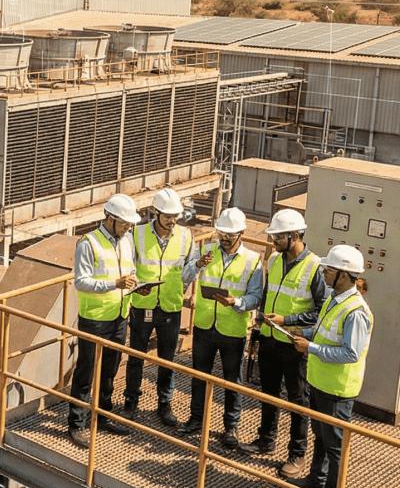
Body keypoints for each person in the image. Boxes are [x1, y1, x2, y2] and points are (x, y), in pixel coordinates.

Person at [241, 209, 328, 482]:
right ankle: (265, 440)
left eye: (279, 236)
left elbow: (321, 312)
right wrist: (260, 320)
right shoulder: (275, 259)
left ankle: (296, 455)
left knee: (298, 400)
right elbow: (269, 294)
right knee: (269, 394)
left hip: (294, 345)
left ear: (295, 236)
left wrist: (287, 320)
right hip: (270, 339)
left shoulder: (315, 267)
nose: (274, 240)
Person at [291, 245, 373, 488]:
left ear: (344, 275)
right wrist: (303, 333)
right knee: (321, 437)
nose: (324, 273)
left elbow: (350, 353)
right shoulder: (334, 299)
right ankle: (316, 480)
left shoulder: (356, 312)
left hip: (337, 390)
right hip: (320, 382)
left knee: (335, 447)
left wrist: (311, 348)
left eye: (329, 270)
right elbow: (322, 330)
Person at [180, 208, 262, 448]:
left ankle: (231, 427)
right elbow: (184, 277)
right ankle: (197, 419)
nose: (224, 238)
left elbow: (256, 297)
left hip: (232, 329)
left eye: (230, 234)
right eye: (221, 233)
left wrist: (236, 302)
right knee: (199, 376)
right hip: (204, 326)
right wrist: (196, 265)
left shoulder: (253, 260)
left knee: (232, 381)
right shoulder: (206, 251)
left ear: (241, 233)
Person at [68, 193, 142, 447]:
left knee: (110, 370)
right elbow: (81, 282)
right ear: (109, 218)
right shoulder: (88, 243)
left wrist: (136, 286)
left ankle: (102, 415)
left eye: (130, 223)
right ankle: (76, 424)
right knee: (86, 371)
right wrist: (115, 284)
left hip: (120, 315)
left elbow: (131, 271)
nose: (128, 227)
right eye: (124, 222)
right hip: (95, 318)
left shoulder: (127, 240)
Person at [123, 187, 194, 427]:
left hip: (170, 307)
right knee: (136, 356)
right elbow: (129, 266)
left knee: (167, 358)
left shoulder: (186, 236)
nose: (172, 221)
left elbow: (188, 270)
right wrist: (137, 285)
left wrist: (178, 291)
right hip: (143, 304)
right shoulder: (137, 234)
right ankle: (131, 401)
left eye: (175, 216)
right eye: (168, 216)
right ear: (155, 212)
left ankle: (164, 403)